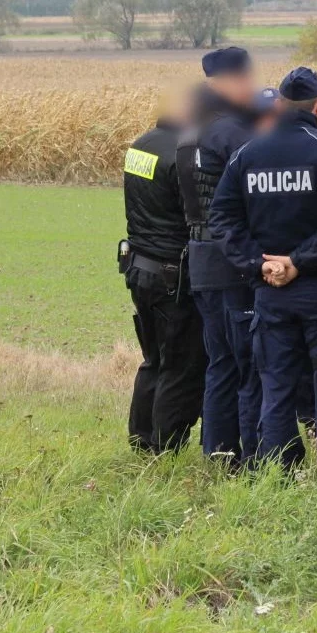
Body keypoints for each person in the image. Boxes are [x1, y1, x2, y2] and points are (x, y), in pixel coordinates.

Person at [208, 67, 317, 487]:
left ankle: (277, 475)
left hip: (269, 292)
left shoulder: (247, 154)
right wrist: (298, 261)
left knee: (275, 385)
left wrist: (258, 263)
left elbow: (222, 218)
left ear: (278, 105)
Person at [175, 47, 260, 464]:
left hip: (200, 257)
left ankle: (217, 452)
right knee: (247, 363)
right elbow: (253, 197)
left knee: (219, 362)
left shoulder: (188, 132)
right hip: (233, 260)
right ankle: (252, 454)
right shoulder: (233, 132)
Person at [121, 101, 207, 453]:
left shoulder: (140, 144)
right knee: (180, 366)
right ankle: (166, 447)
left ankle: (141, 440)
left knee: (153, 360)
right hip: (172, 274)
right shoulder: (182, 153)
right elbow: (194, 216)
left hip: (139, 266)